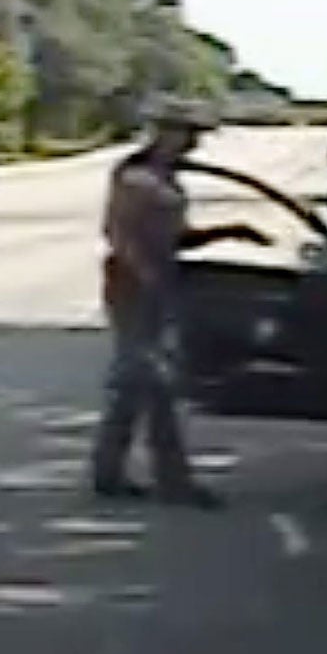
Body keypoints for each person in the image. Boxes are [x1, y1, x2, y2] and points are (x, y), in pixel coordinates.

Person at [89, 97, 268, 509]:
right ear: (163, 133)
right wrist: (145, 274)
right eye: (186, 134)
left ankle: (109, 471)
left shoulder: (166, 178)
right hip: (134, 285)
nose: (192, 144)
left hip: (160, 281)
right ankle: (173, 481)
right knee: (156, 381)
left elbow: (176, 237)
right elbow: (119, 233)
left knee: (135, 382)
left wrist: (228, 232)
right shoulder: (136, 176)